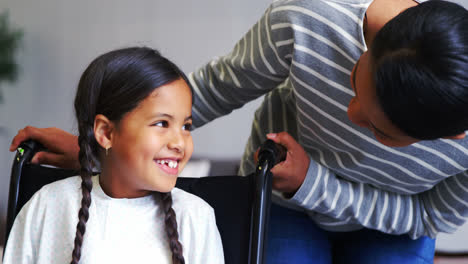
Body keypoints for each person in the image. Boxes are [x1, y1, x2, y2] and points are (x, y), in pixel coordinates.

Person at [9, 0, 468, 263]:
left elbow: (430, 218)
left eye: (377, 129)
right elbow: (211, 90)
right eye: (354, 81)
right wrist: (105, 150)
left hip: (392, 228)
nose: (350, 113)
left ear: (452, 137)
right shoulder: (307, 19)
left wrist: (317, 185)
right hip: (284, 203)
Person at [4, 47, 224, 264]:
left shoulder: (196, 217)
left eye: (186, 126)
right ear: (106, 133)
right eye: (161, 123)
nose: (179, 143)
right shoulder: (48, 206)